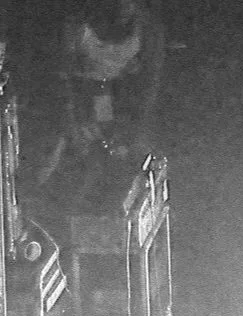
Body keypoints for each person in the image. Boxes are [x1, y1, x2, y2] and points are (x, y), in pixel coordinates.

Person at [36, 0, 165, 205]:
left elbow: (150, 84)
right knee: (59, 150)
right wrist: (72, 123)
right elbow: (61, 78)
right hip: (79, 96)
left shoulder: (147, 28)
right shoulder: (77, 26)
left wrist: (131, 128)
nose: (124, 8)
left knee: (131, 155)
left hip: (118, 97)